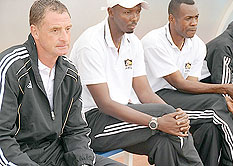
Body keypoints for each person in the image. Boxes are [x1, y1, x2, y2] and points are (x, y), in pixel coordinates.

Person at [70, 0, 203, 165]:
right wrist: (157, 122)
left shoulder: (133, 43)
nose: (134, 18)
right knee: (169, 121)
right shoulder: (90, 44)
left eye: (138, 11)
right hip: (92, 123)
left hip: (121, 114)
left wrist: (173, 114)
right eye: (127, 12)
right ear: (111, 11)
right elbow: (104, 104)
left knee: (164, 143)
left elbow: (145, 93)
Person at [0, 0, 125, 165]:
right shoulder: (12, 67)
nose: (64, 38)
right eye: (55, 30)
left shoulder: (69, 73)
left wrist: (83, 162)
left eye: (67, 29)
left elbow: (76, 131)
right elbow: (2, 137)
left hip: (56, 154)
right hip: (20, 157)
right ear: (35, 32)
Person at [142, 0, 233, 165]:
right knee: (218, 105)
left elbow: (191, 86)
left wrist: (227, 98)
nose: (194, 23)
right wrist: (226, 90)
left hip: (179, 97)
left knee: (211, 129)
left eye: (196, 17)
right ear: (172, 18)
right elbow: (179, 83)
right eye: (188, 18)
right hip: (153, 100)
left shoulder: (197, 44)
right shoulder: (154, 41)